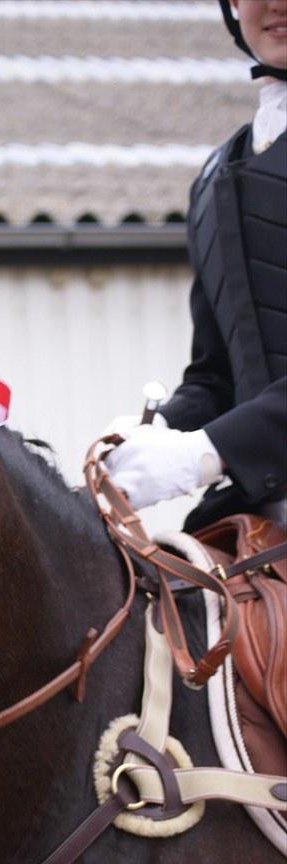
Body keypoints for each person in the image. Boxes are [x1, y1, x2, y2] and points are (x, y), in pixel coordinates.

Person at [106, 0, 287, 533]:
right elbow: (218, 374)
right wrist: (162, 428)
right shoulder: (216, 174)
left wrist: (207, 453)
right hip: (261, 512)